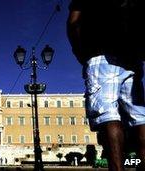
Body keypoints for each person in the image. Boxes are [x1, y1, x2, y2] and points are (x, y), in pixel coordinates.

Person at [67, 0, 145, 170]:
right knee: (140, 119)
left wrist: (80, 53)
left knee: (107, 115)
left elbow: (73, 22)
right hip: (132, 56)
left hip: (100, 52)